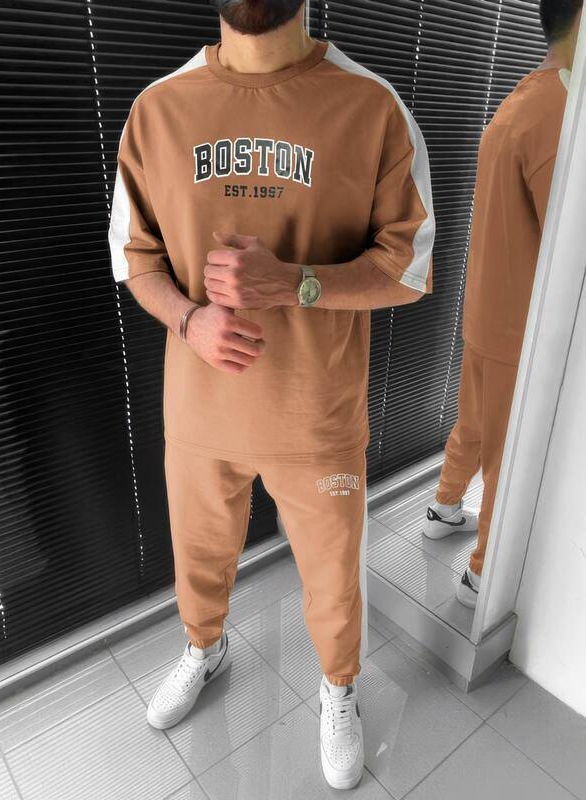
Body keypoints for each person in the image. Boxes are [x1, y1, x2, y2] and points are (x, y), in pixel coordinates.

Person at [108, 0, 434, 789]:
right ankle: (205, 647)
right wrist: (189, 320)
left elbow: (410, 269)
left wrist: (297, 283)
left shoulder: (371, 107)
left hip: (316, 416)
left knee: (332, 577)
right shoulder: (158, 109)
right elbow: (136, 258)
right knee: (198, 554)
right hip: (200, 410)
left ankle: (338, 687)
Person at [424, 0, 582, 609]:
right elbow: (569, 240)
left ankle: (443, 508)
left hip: (488, 310)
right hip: (520, 327)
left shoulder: (524, 96)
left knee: (474, 425)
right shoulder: (561, 111)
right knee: (507, 453)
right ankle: (481, 575)